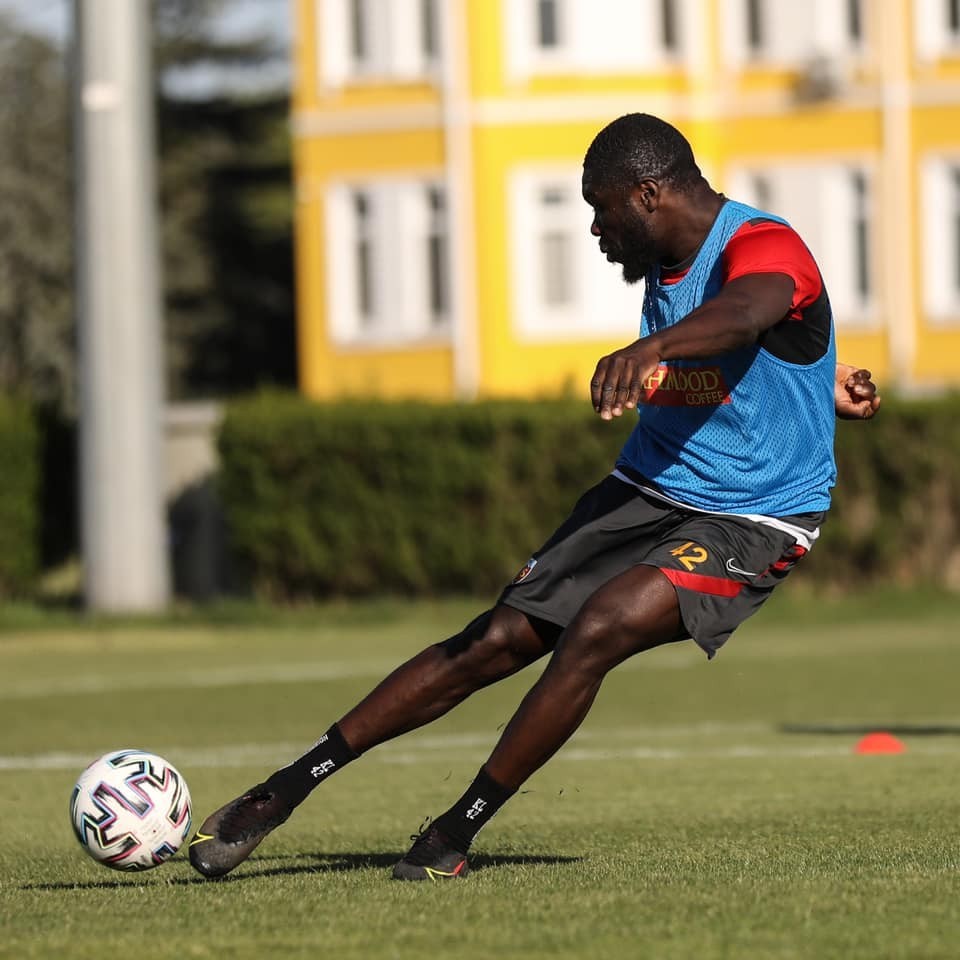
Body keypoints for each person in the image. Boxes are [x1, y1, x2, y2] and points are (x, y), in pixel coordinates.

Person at [188, 113, 881, 882]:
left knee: (600, 626)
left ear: (648, 195)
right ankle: (280, 793)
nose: (595, 229)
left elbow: (749, 312)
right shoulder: (668, 261)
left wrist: (652, 347)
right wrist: (815, 381)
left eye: (601, 209)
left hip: (755, 516)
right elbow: (747, 358)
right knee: (494, 640)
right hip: (646, 486)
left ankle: (452, 832)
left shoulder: (764, 243)